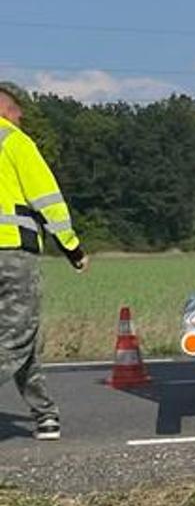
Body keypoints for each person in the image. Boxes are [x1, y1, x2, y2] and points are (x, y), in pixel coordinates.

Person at [0, 88, 87, 441]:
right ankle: (44, 413)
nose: (21, 121)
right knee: (17, 336)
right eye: (19, 114)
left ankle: (44, 413)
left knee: (23, 336)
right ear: (6, 110)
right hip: (12, 255)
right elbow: (47, 200)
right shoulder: (14, 141)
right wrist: (73, 248)